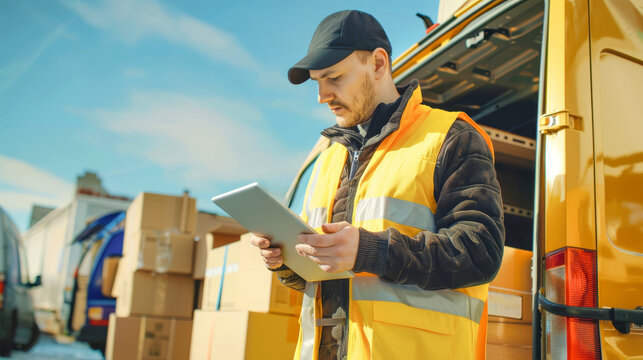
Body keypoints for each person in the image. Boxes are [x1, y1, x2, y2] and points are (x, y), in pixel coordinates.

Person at [250, 10, 504, 360]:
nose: (322, 95)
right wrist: (284, 261)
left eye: (334, 77)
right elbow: (315, 278)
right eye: (317, 82)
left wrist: (370, 251)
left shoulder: (451, 138)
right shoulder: (327, 161)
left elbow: (480, 252)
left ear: (378, 63)